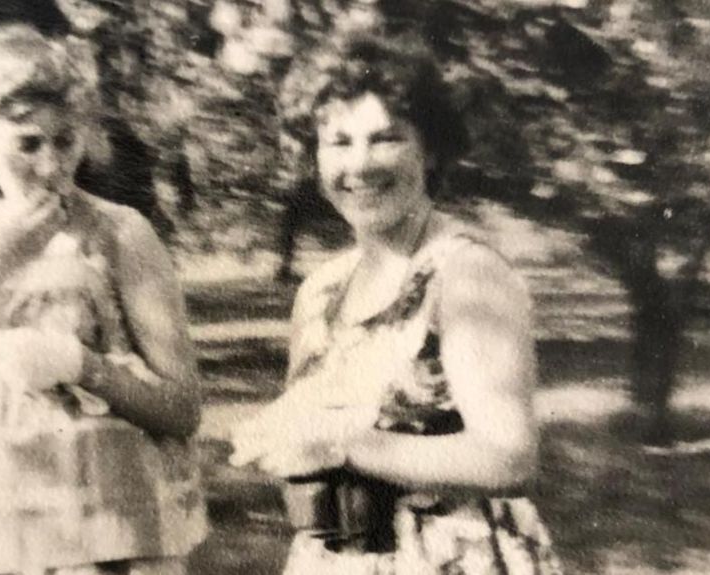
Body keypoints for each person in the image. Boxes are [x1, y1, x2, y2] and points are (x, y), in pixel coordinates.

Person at [0, 24, 207, 575]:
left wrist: (84, 365)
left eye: (66, 141)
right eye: (28, 143)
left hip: (105, 532)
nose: (51, 166)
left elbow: (184, 408)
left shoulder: (121, 233)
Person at [231, 34, 563, 574]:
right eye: (338, 142)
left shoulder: (464, 273)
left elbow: (510, 457)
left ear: (430, 149)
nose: (359, 166)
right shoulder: (320, 292)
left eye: (386, 138)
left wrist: (347, 445)